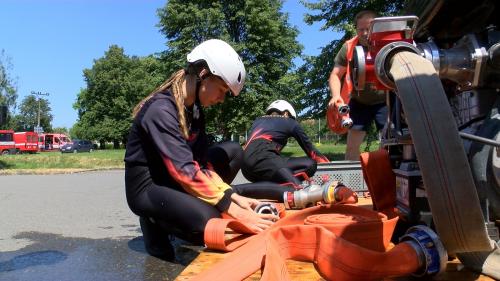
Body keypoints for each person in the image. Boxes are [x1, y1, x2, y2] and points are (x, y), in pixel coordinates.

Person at [124, 39, 291, 259]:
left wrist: (232, 197)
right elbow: (185, 171)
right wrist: (234, 211)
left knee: (232, 151)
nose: (222, 98)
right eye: (222, 89)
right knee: (211, 219)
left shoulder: (195, 111)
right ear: (203, 74)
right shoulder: (161, 110)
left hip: (174, 177)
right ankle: (155, 219)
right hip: (148, 186)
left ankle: (183, 208)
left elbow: (202, 164)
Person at [328, 10, 388, 161]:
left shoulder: (389, 43)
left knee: (391, 142)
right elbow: (335, 74)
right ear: (356, 29)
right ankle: (350, 179)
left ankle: (389, 176)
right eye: (361, 29)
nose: (365, 33)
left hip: (386, 101)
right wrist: (335, 96)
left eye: (369, 28)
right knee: (352, 145)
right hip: (359, 101)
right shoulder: (348, 47)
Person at [242, 100, 329, 188]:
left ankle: (269, 188)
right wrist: (328, 166)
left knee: (277, 165)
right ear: (286, 113)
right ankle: (291, 187)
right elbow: (312, 152)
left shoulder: (257, 121)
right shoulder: (289, 122)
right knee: (310, 164)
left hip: (246, 169)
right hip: (265, 158)